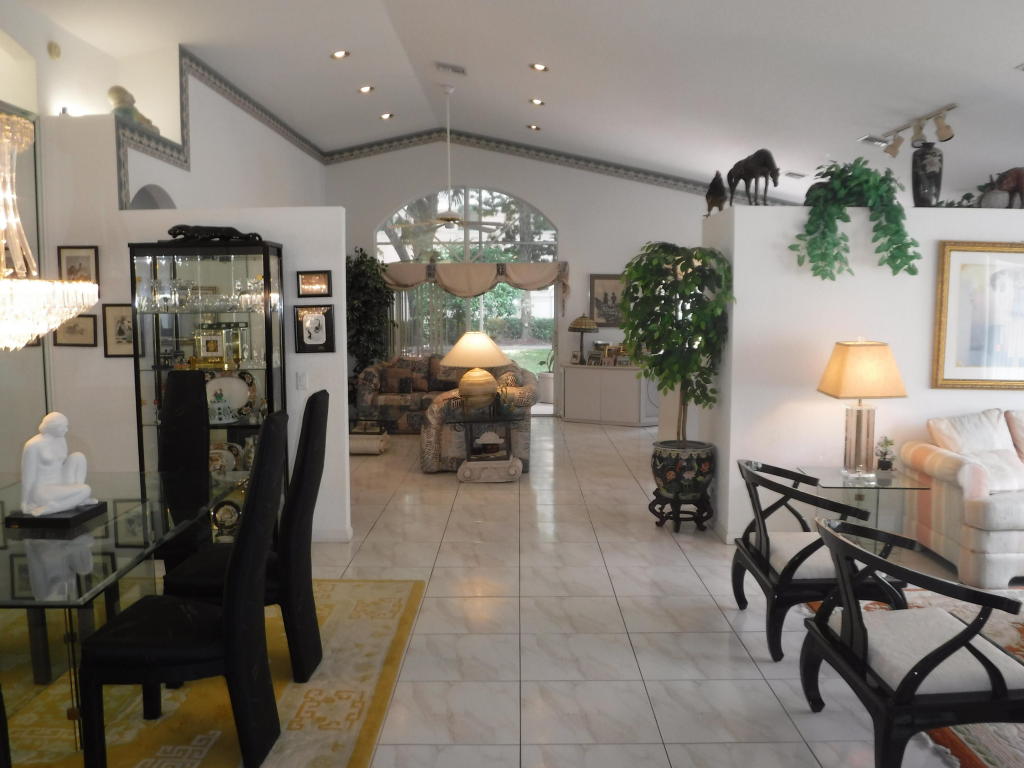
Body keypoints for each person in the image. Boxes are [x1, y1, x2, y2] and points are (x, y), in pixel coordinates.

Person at [21, 412, 95, 516]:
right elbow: (28, 475)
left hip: (60, 482)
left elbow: (59, 464)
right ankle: (55, 507)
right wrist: (25, 501)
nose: (66, 430)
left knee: (78, 456)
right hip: (44, 489)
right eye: (63, 427)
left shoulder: (61, 439)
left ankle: (78, 498)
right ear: (52, 427)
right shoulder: (33, 445)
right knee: (86, 489)